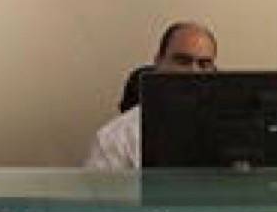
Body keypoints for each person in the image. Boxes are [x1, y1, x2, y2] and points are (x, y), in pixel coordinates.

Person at [84, 22, 217, 171]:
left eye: (204, 64)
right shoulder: (115, 138)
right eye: (182, 61)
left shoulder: (232, 131)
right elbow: (98, 193)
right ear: (158, 63)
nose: (194, 72)